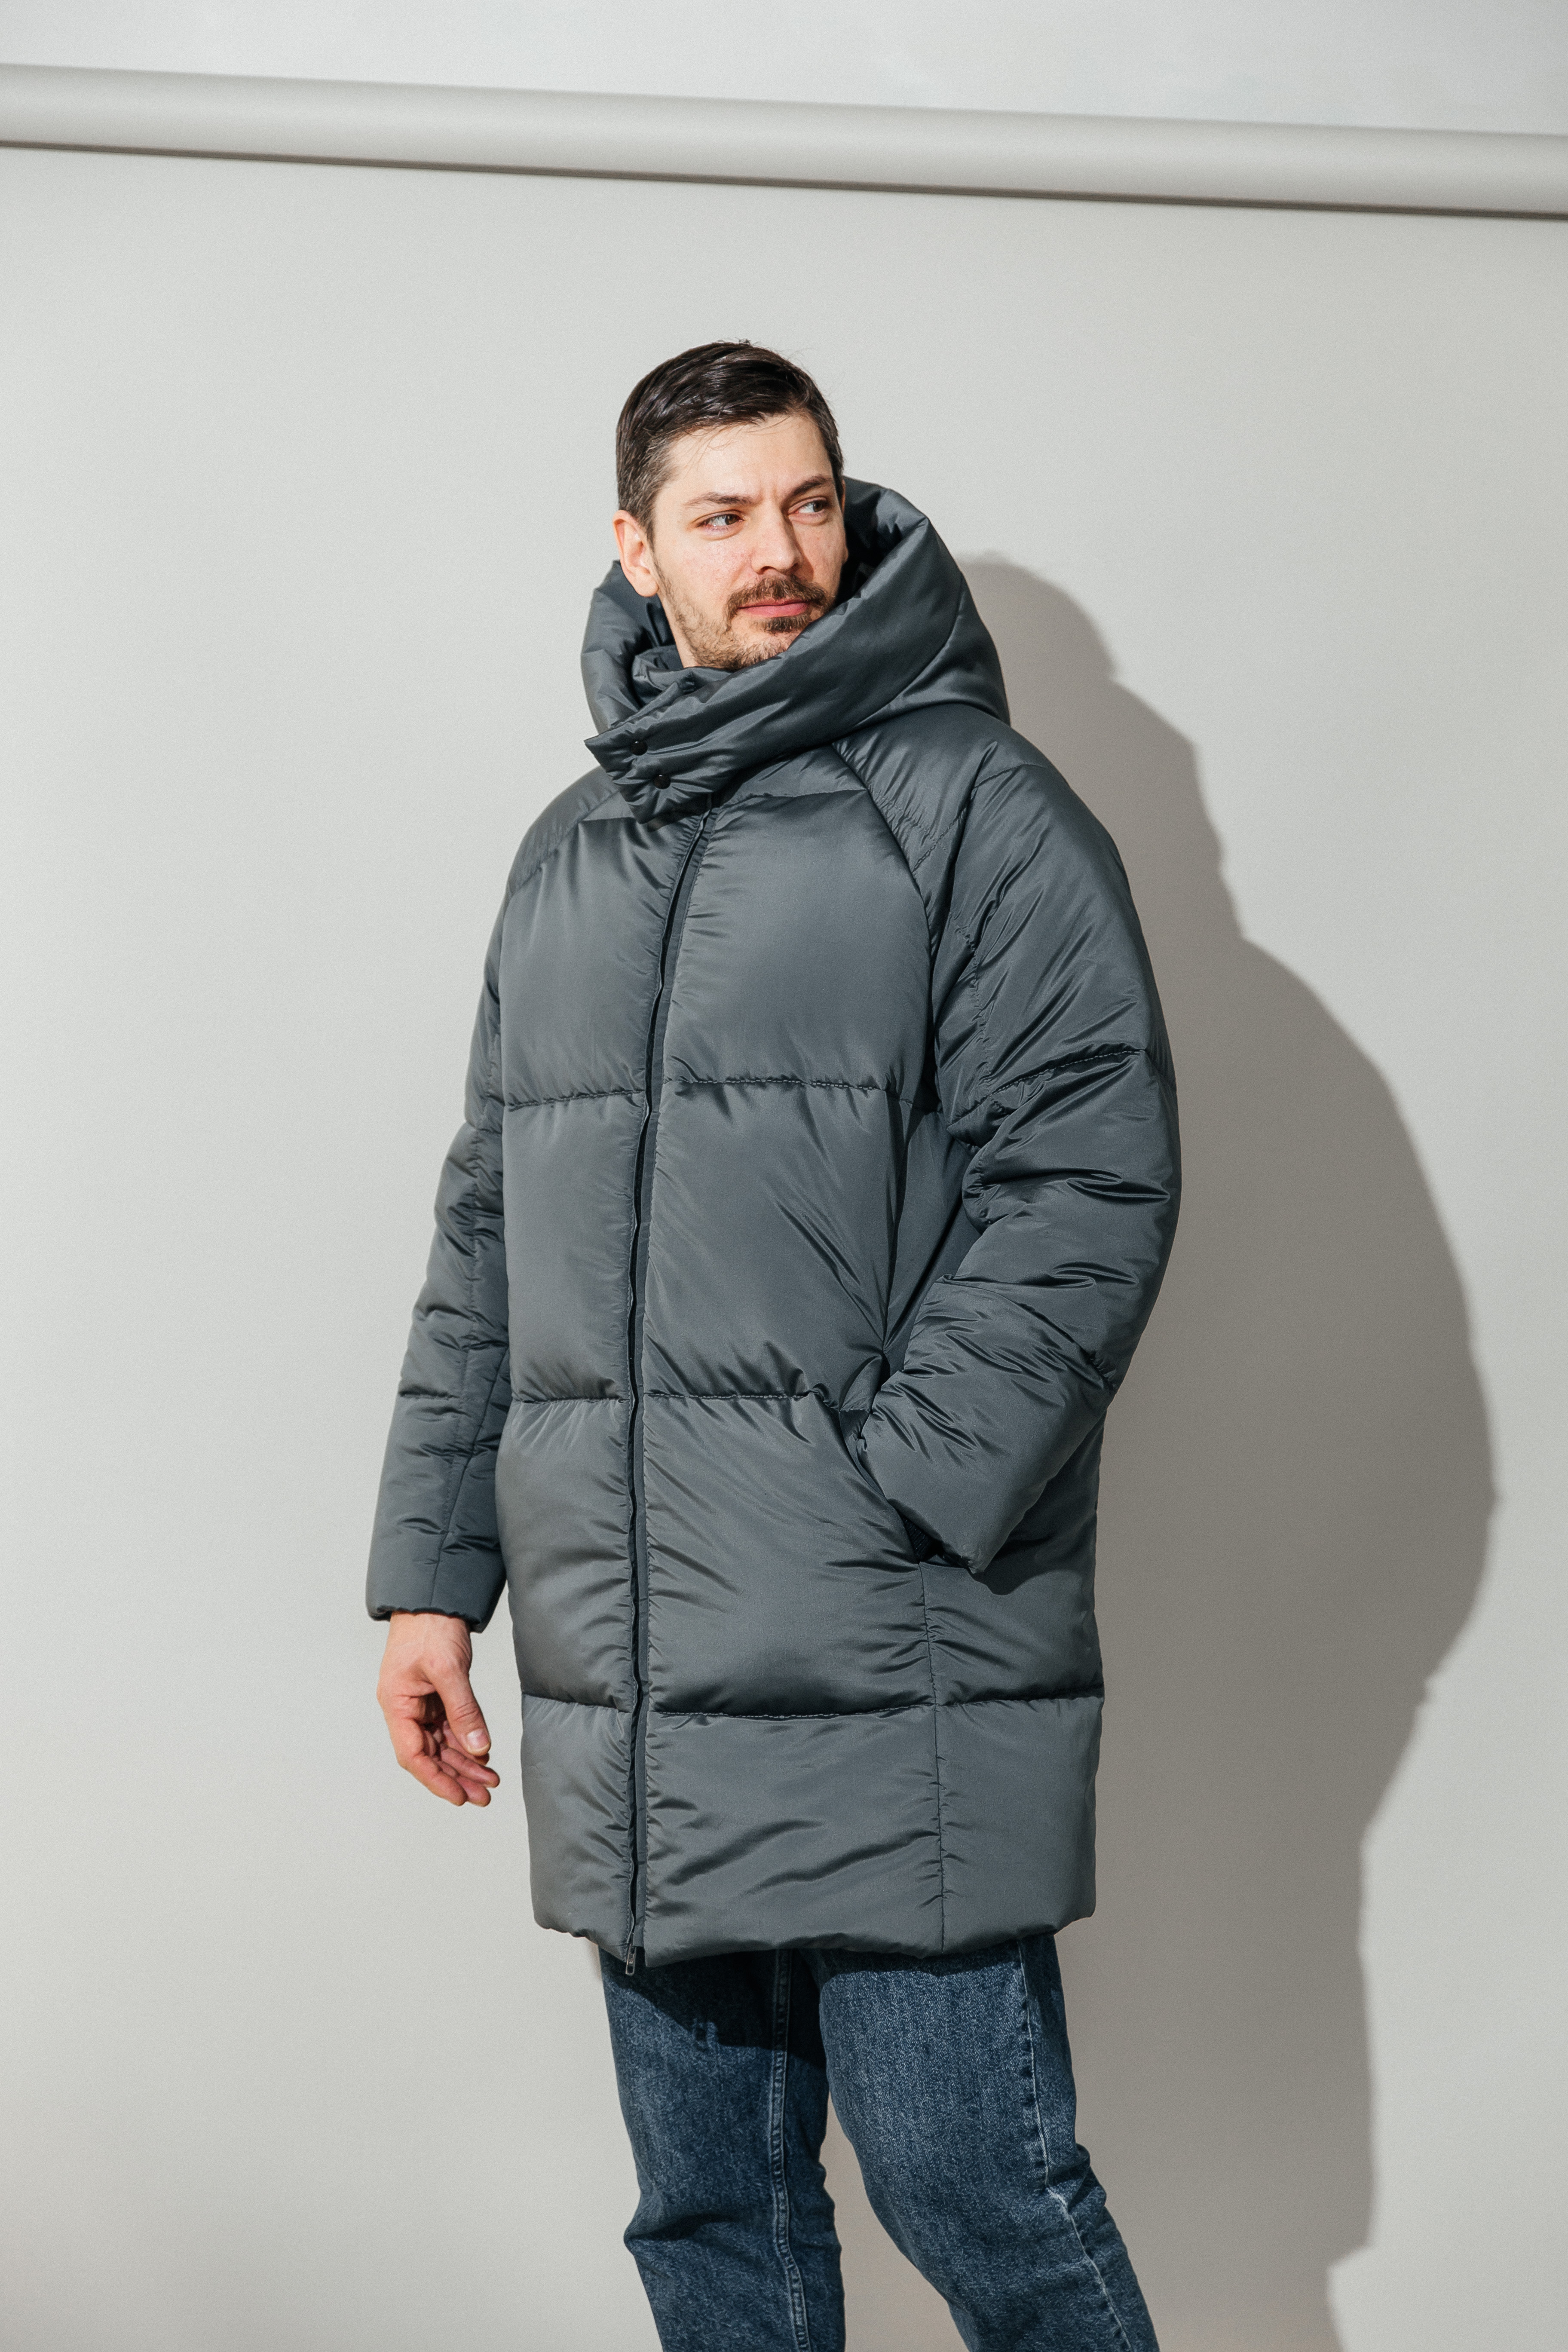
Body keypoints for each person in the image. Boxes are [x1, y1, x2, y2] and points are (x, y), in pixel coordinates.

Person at [369, 341, 1179, 2351]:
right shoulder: (571, 852)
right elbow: (489, 1233)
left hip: (888, 1653)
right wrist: (430, 1583)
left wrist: (901, 1490)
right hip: (629, 1660)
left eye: (810, 503)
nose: (780, 553)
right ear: (636, 548)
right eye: (724, 516)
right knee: (712, 2219)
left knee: (977, 2196)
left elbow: (1089, 1173)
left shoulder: (975, 807)